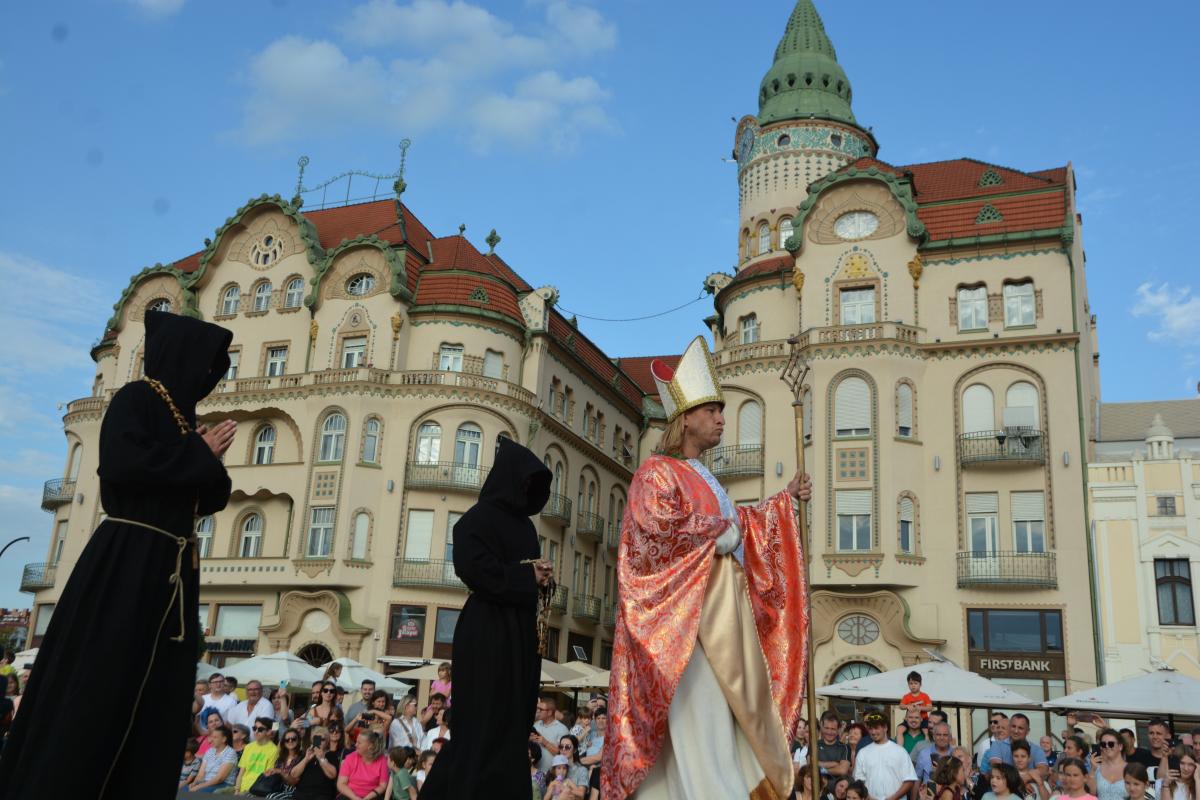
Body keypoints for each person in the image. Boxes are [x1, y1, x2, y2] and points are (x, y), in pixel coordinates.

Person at [0, 312, 236, 800]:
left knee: (158, 691)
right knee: (102, 683)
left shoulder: (182, 418)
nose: (211, 376)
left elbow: (209, 497)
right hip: (129, 560)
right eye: (206, 365)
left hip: (172, 569)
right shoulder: (137, 399)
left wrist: (204, 456)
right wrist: (198, 455)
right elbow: (124, 466)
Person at [604, 336, 814, 800]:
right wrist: (715, 533)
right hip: (685, 627)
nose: (721, 419)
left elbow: (736, 526)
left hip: (722, 619)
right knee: (696, 718)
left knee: (721, 716)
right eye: (711, 410)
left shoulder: (706, 476)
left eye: (721, 410)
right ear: (685, 418)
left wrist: (782, 504)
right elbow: (653, 532)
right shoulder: (656, 471)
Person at [415, 439, 554, 796]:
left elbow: (520, 571)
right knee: (483, 721)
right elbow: (472, 567)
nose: (527, 491)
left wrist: (539, 576)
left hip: (520, 632)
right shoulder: (477, 519)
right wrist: (527, 576)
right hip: (488, 629)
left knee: (511, 721)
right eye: (523, 483)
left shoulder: (525, 527)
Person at [855, 712, 917, 800]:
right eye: (870, 728)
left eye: (876, 728)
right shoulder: (863, 753)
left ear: (885, 728)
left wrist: (893, 798)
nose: (873, 732)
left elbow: (909, 780)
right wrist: (868, 797)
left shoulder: (900, 751)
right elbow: (859, 781)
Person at [290, 725, 340, 800]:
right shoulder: (306, 754)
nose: (319, 742)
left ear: (327, 741)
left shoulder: (331, 755)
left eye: (322, 739)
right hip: (302, 794)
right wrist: (306, 759)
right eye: (316, 739)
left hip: (322, 795)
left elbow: (332, 775)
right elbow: (293, 774)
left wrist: (321, 759)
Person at [337, 729, 389, 800]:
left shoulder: (382, 760)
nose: (356, 745)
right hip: (350, 796)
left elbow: (382, 786)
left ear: (370, 745)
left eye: (359, 743)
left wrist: (366, 798)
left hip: (372, 797)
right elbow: (341, 784)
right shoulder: (350, 758)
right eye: (356, 742)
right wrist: (355, 798)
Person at [237, 716, 281, 794]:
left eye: (260, 729)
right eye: (254, 728)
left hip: (256, 789)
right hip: (241, 788)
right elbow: (241, 772)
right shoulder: (248, 747)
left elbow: (267, 776)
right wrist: (237, 789)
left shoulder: (274, 750)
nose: (256, 731)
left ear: (268, 732)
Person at [190, 723, 239, 792]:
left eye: (215, 737)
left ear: (224, 739)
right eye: (211, 737)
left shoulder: (230, 753)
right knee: (184, 789)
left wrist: (199, 787)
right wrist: (195, 783)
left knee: (199, 792)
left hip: (223, 784)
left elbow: (219, 779)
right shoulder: (209, 751)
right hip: (206, 783)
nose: (211, 740)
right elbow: (200, 774)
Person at [1084, 728, 1127, 800]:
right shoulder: (1097, 769)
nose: (1107, 746)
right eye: (1103, 744)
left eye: (1111, 744)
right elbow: (1091, 795)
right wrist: (1093, 770)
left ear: (1120, 746)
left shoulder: (1131, 769)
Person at [817, 710, 853, 781]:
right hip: (817, 789)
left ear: (838, 730)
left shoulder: (844, 748)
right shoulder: (814, 745)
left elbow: (843, 770)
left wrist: (821, 770)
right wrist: (835, 764)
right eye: (826, 728)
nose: (829, 732)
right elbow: (811, 766)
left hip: (838, 790)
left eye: (833, 729)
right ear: (822, 727)